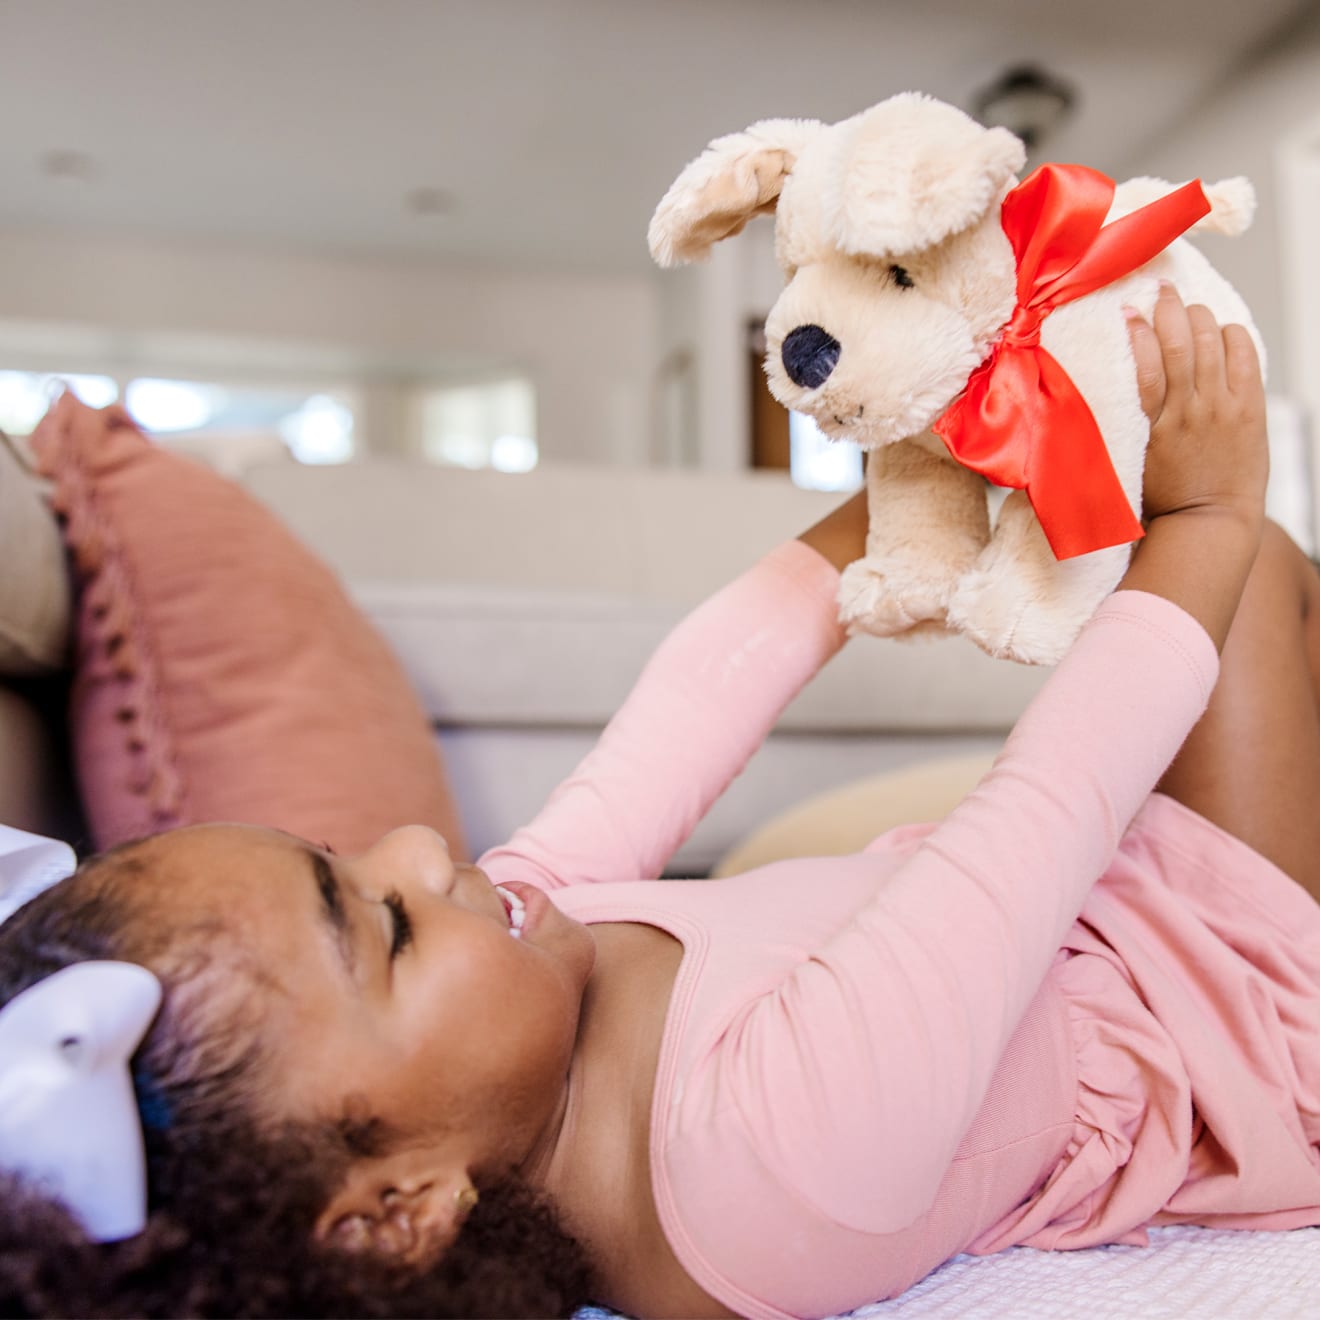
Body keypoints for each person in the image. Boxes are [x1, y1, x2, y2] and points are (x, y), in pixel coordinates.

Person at [1, 283, 1317, 1320]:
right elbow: (1045, 809)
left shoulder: (521, 968)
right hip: (1232, 1014)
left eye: (345, 860)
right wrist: (1199, 510)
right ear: (398, 1210)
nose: (417, 849)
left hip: (1106, 930)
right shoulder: (768, 1166)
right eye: (383, 928)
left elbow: (684, 715)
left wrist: (898, 498)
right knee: (1255, 568)